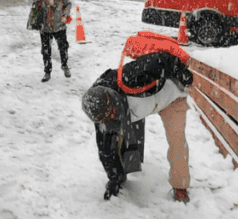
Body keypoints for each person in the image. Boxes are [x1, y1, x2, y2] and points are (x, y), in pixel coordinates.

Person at [81, 31, 193, 202]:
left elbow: (161, 59)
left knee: (177, 140)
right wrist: (114, 179)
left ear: (111, 99)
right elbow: (106, 150)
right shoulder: (100, 113)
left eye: (111, 113)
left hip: (171, 96)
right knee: (119, 132)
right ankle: (129, 165)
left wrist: (183, 74)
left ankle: (180, 186)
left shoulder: (130, 77)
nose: (111, 119)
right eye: (107, 119)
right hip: (141, 104)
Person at [27, 0, 73, 81]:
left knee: (63, 47)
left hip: (59, 26)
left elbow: (69, 3)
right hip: (45, 27)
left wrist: (65, 15)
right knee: (46, 50)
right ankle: (47, 71)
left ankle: (65, 65)